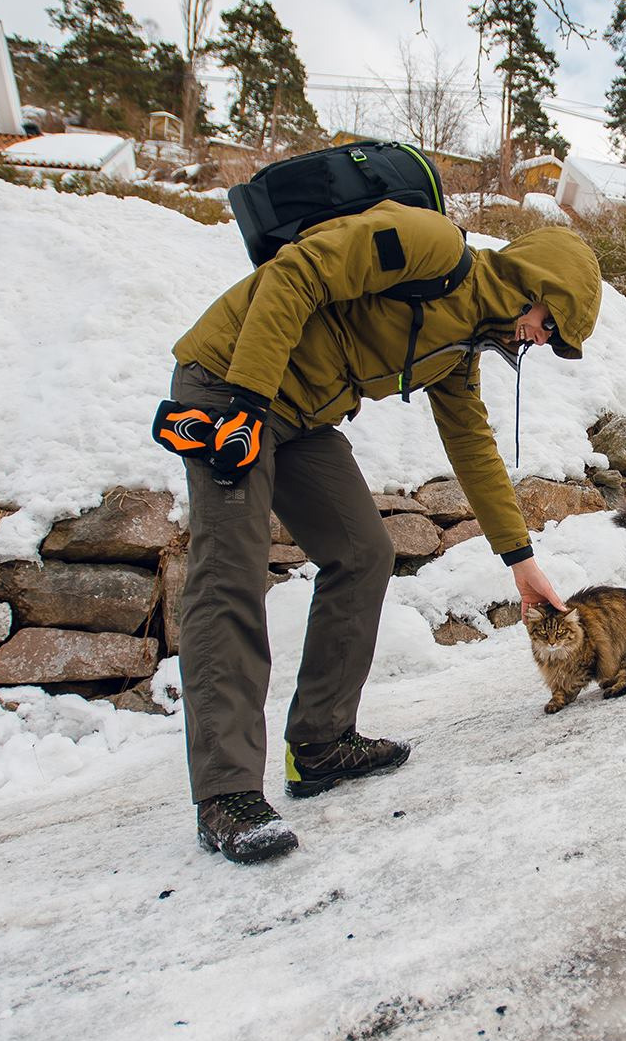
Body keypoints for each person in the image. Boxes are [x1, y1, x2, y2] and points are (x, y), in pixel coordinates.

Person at [161, 199, 603, 863]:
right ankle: (227, 794)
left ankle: (319, 742)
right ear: (535, 286)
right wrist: (249, 402)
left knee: (364, 552)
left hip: (300, 411)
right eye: (551, 324)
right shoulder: (429, 247)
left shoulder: (457, 351)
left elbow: (471, 445)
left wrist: (520, 558)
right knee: (229, 572)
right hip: (231, 382)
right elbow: (295, 274)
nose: (543, 340)